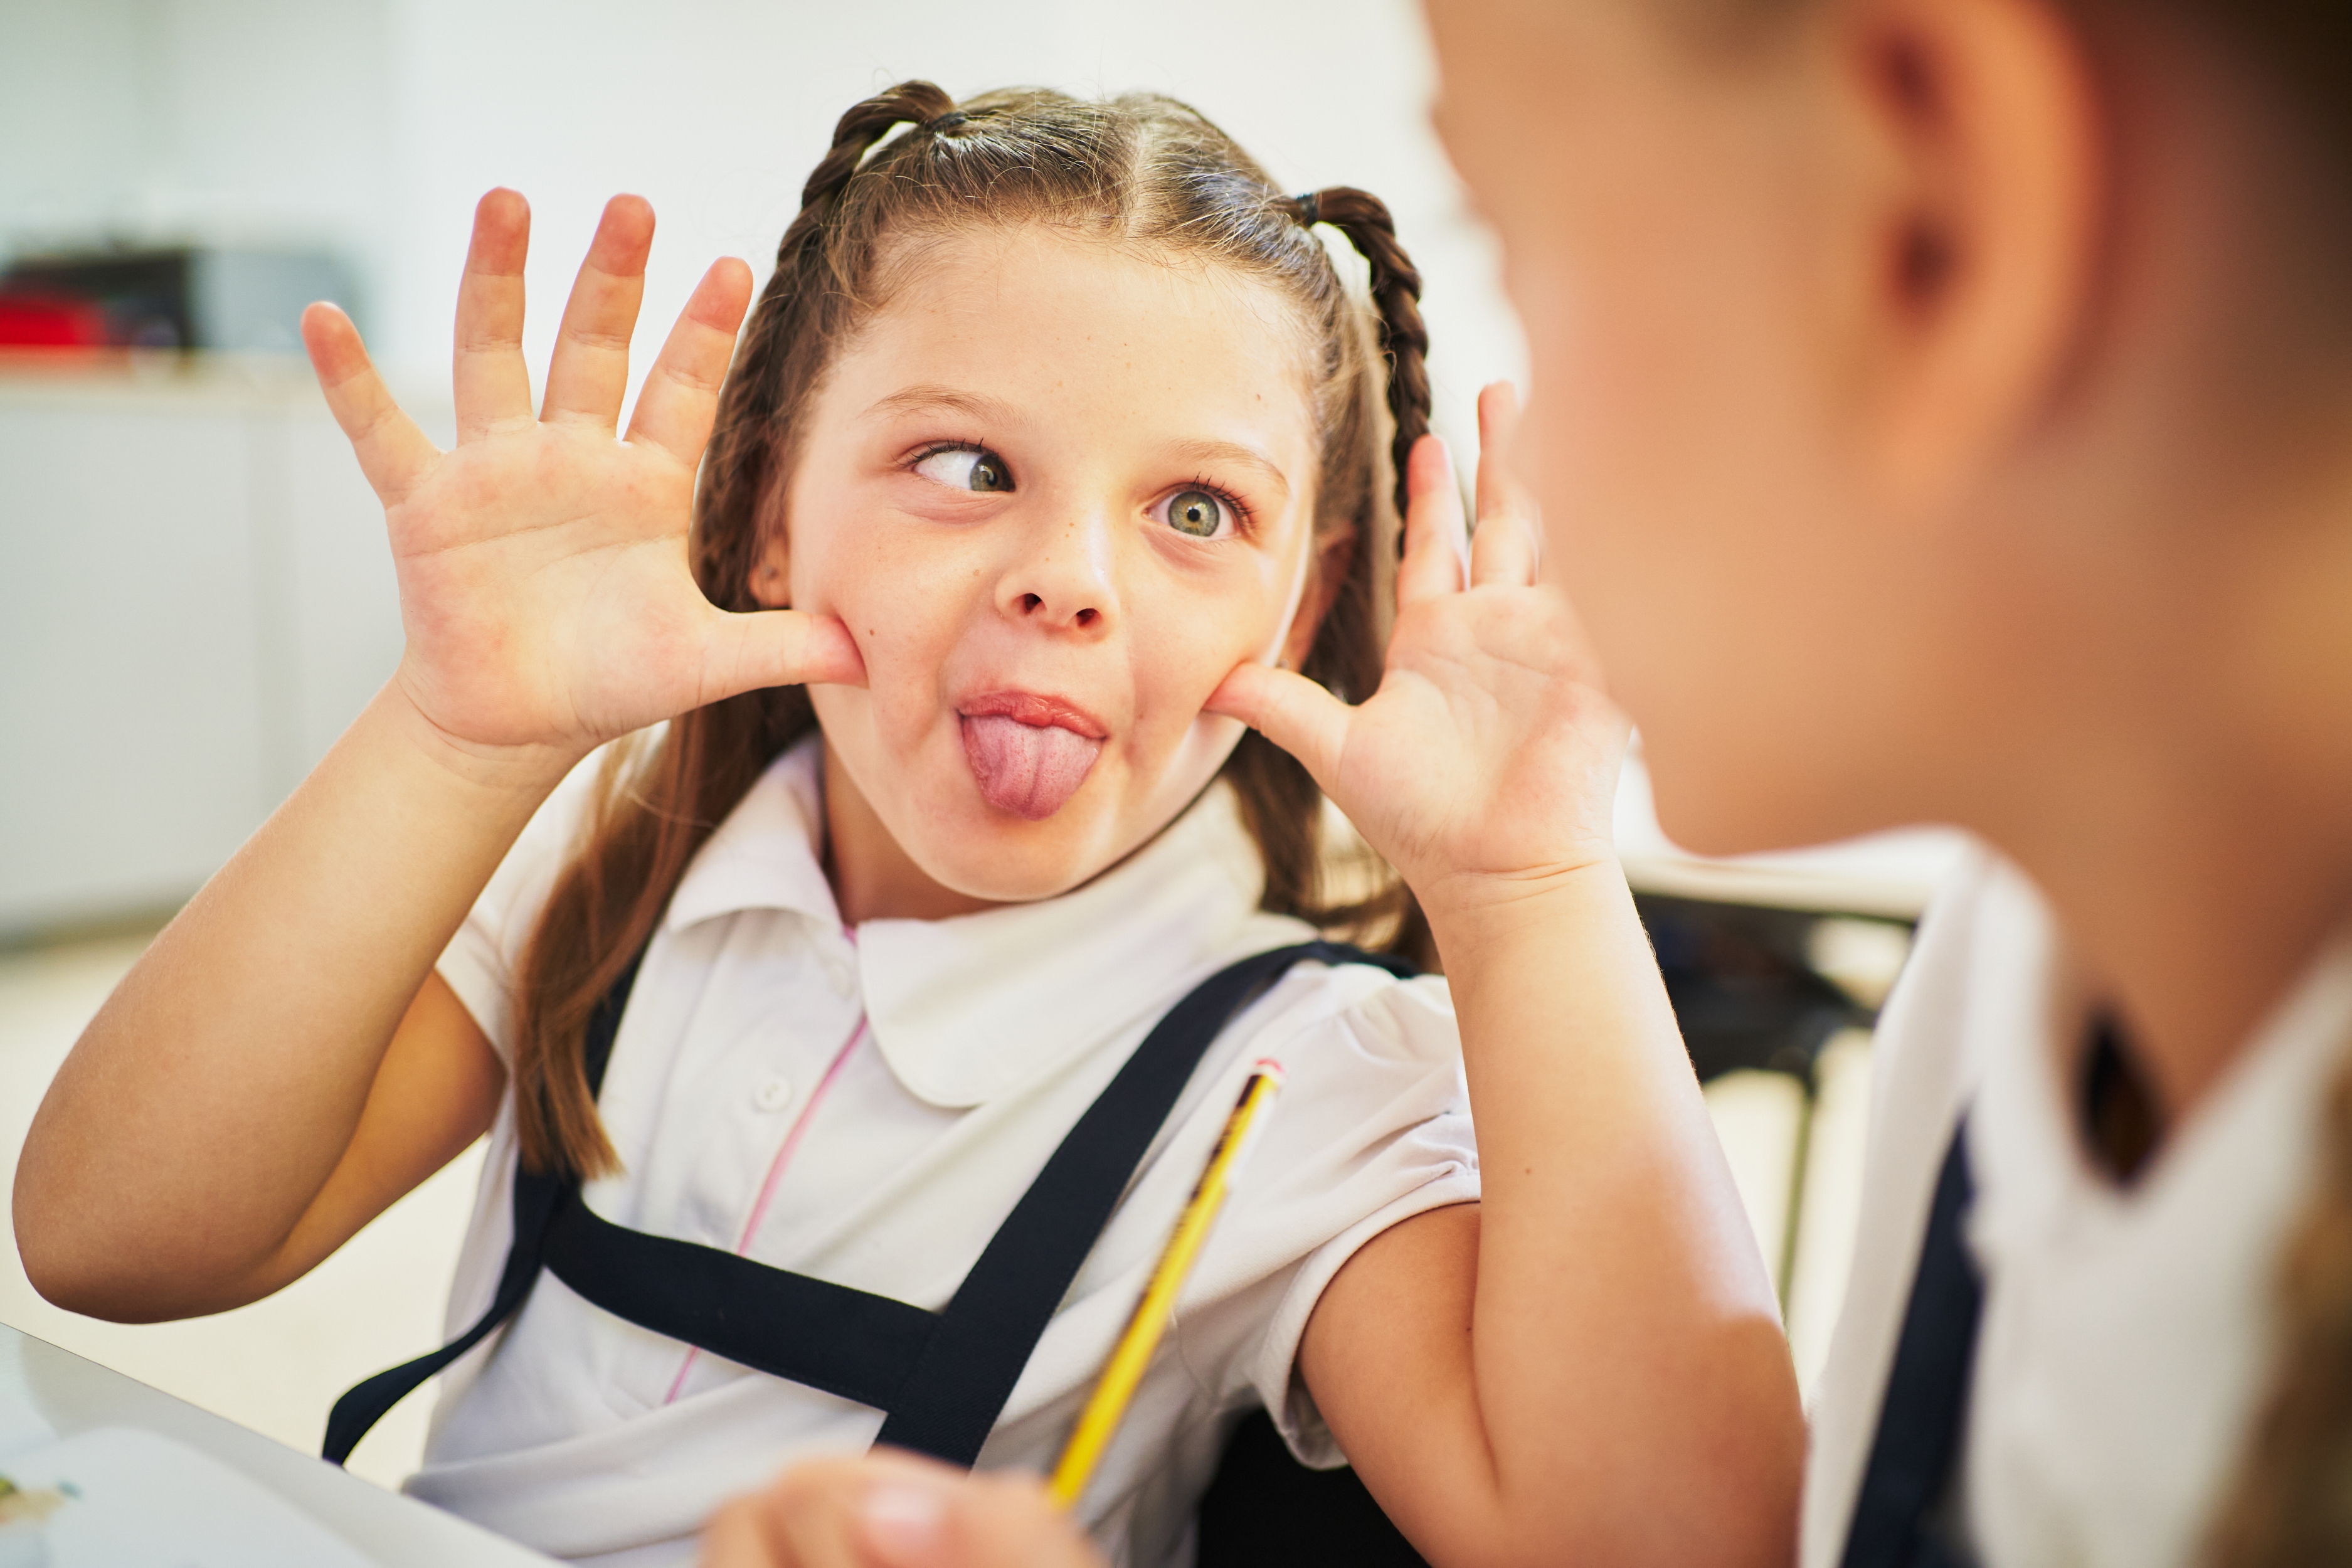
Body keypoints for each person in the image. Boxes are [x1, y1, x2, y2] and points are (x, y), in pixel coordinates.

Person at [11, 83, 1798, 1568]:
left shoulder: (1304, 1074)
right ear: (773, 508)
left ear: (1302, 596)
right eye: (967, 466)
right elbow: (111, 1234)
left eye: (1194, 506)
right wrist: (451, 737)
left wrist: (1534, 890)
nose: (1067, 581)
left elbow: (1668, 1543)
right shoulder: (621, 867)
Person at [692, 1, 2352, 1566]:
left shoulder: (1288, 1072)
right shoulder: (2006, 1000)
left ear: (1938, 225)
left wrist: (1522, 884)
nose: (1523, 460)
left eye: (1520, 235)